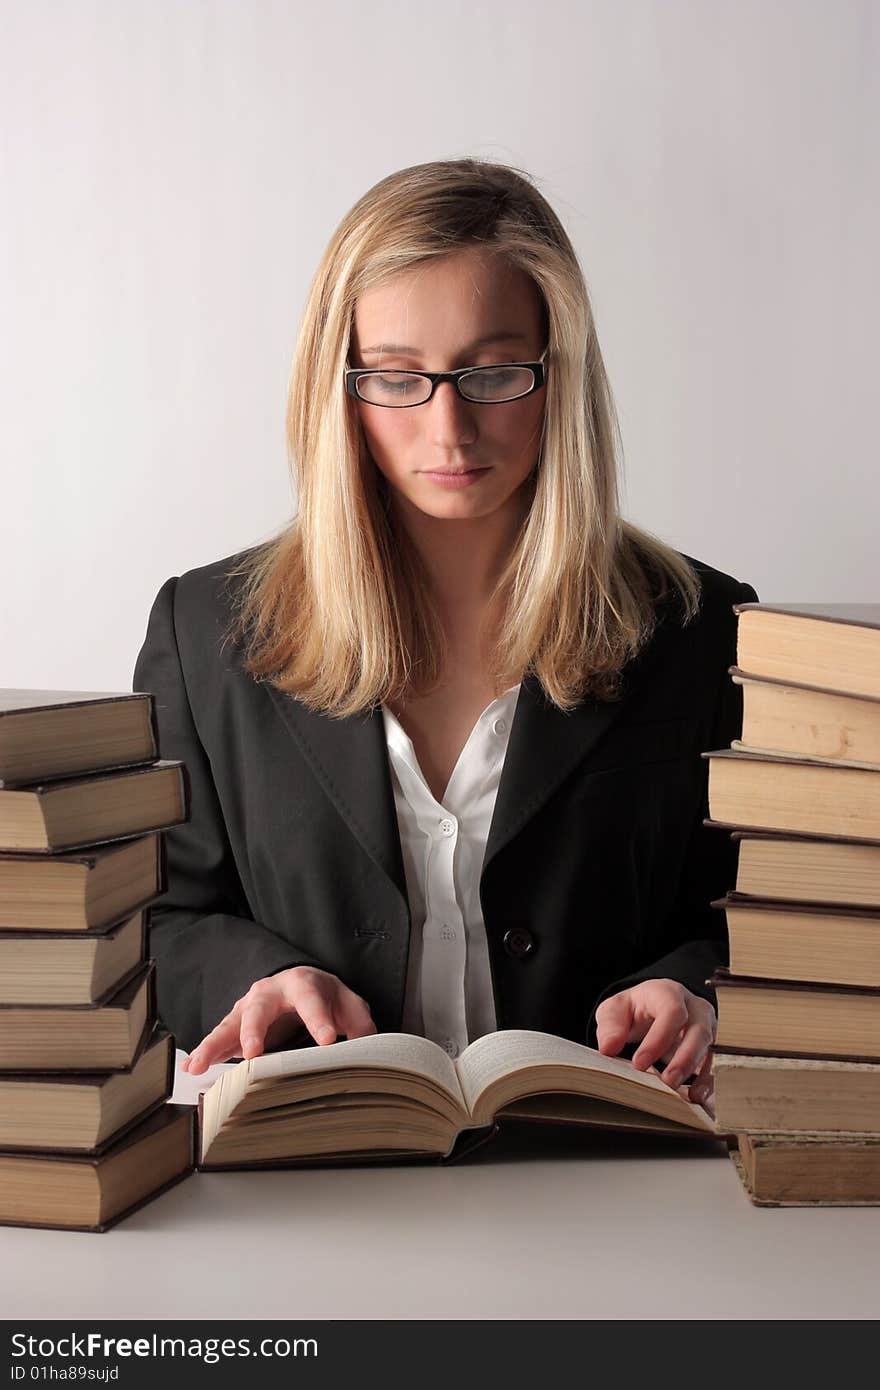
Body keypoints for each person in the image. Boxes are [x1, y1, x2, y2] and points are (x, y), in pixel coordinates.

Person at [133, 156, 757, 1111]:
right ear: (337, 390)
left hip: (610, 1179)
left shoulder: (703, 630)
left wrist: (698, 991)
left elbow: (760, 911)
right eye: (395, 378)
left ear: (560, 375)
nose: (449, 430)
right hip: (316, 1178)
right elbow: (161, 916)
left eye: (494, 372)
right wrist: (248, 979)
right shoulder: (205, 629)